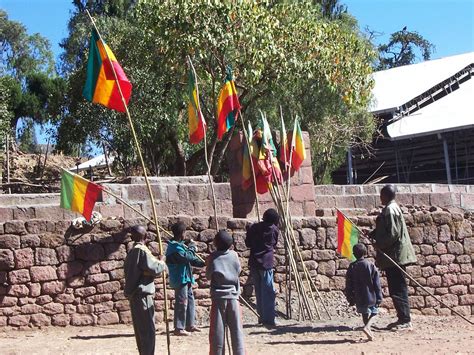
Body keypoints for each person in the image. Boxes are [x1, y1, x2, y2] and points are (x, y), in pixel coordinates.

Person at [370, 184, 417, 331]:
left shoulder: (391, 210)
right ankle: (402, 318)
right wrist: (373, 234)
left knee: (398, 288)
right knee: (397, 287)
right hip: (394, 255)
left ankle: (405, 320)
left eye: (381, 195)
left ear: (386, 196)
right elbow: (386, 230)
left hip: (395, 256)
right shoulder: (391, 208)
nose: (380, 198)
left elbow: (393, 234)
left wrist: (380, 244)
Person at [124, 225, 168, 355]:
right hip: (142, 296)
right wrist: (162, 261)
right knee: (148, 331)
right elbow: (155, 269)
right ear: (146, 236)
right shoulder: (141, 251)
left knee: (141, 331)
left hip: (134, 296)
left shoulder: (131, 253)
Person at [206, 230, 245, 355]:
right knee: (237, 331)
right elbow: (238, 271)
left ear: (216, 244)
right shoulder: (234, 255)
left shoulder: (213, 257)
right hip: (233, 298)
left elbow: (208, 276)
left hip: (218, 299)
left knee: (217, 333)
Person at [166, 222, 205, 336]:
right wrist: (192, 247)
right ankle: (179, 328)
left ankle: (190, 324)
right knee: (182, 302)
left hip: (186, 277)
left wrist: (202, 263)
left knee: (190, 300)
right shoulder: (174, 247)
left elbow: (190, 259)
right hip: (179, 278)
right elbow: (186, 257)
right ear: (182, 233)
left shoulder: (181, 246)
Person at [245, 208, 279, 326]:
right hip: (266, 263)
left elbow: (248, 243)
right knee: (268, 292)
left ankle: (261, 317)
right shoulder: (274, 229)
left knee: (259, 292)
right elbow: (274, 243)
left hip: (254, 262)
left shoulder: (254, 228)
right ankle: (269, 319)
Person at [345, 243, 383, 341]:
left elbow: (348, 284)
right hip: (371, 296)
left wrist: (350, 297)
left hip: (359, 296)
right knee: (374, 313)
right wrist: (379, 297)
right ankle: (367, 327)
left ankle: (369, 333)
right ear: (366, 253)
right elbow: (377, 283)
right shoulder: (370, 265)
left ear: (354, 254)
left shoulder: (352, 266)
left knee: (364, 314)